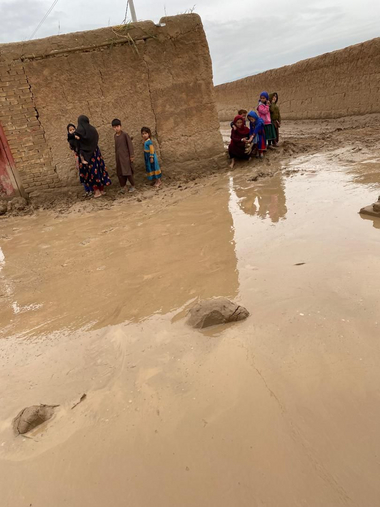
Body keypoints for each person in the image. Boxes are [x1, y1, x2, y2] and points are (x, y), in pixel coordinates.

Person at [75, 115, 111, 198]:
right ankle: (102, 190)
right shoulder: (93, 129)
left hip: (86, 156)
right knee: (99, 170)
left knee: (91, 173)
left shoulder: (79, 131)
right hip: (95, 153)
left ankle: (96, 191)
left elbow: (77, 145)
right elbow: (96, 139)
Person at [67, 123, 92, 196]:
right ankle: (86, 190)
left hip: (83, 156)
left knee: (87, 174)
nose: (72, 131)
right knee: (82, 175)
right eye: (70, 130)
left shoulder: (79, 136)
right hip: (78, 158)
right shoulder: (71, 138)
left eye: (73, 129)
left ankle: (91, 190)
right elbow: (69, 138)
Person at [111, 118, 135, 193]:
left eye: (117, 126)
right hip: (119, 158)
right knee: (120, 173)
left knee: (128, 172)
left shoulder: (125, 135)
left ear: (120, 126)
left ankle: (133, 185)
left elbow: (130, 145)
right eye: (114, 127)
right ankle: (124, 186)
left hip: (125, 157)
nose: (116, 128)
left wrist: (131, 156)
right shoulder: (115, 136)